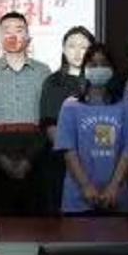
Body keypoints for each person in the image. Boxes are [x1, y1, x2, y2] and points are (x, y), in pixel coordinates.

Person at [0, 12, 50, 215]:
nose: (13, 35)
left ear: (28, 36)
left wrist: (29, 159)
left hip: (35, 150)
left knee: (35, 221)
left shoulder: (43, 71)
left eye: (19, 30)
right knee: (0, 219)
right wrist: (1, 158)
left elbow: (46, 119)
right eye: (6, 31)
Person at [55, 44, 128, 215]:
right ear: (84, 69)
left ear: (112, 69)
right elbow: (69, 151)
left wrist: (114, 187)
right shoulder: (70, 106)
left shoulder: (126, 104)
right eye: (93, 64)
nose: (98, 68)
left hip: (117, 197)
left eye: (104, 64)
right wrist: (86, 187)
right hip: (79, 199)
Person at [39, 26, 94, 214]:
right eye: (72, 46)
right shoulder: (53, 82)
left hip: (96, 159)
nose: (78, 52)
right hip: (61, 162)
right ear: (63, 49)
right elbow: (50, 126)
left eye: (83, 47)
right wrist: (73, 156)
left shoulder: (98, 82)